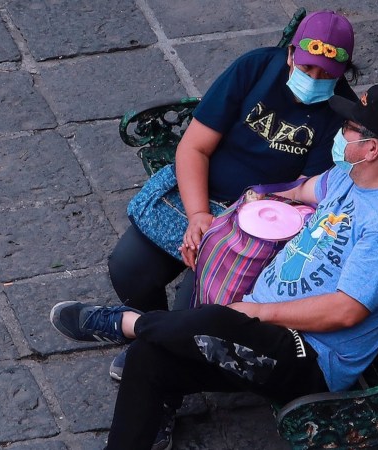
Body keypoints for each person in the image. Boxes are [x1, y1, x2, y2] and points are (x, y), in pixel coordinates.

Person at [50, 84, 378, 450]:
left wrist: (257, 311)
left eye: (349, 128)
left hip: (310, 356)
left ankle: (125, 323)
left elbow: (345, 310)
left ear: (370, 148)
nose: (340, 131)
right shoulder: (350, 175)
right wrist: (267, 199)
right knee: (148, 358)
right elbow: (305, 190)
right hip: (260, 322)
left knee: (217, 322)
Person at [106, 10, 360, 383]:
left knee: (196, 314)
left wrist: (220, 232)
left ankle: (155, 366)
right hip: (198, 197)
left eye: (326, 75)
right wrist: (197, 217)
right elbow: (194, 148)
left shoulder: (340, 116)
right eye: (307, 69)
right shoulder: (255, 69)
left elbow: (306, 198)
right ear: (290, 54)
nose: (314, 81)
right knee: (128, 267)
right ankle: (149, 332)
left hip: (259, 227)